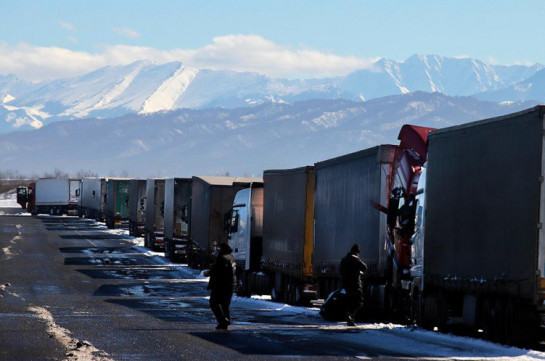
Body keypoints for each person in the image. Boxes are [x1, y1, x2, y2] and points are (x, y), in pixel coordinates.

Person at [207, 242, 237, 330]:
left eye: (218, 248)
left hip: (221, 285)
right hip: (230, 285)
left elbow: (218, 273)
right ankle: (225, 322)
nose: (217, 250)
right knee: (225, 304)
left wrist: (210, 275)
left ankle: (222, 321)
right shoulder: (231, 256)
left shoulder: (222, 258)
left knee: (214, 303)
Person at [339, 244, 367, 326]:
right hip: (355, 283)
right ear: (357, 252)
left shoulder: (344, 260)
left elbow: (341, 271)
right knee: (359, 301)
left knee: (349, 300)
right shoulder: (355, 259)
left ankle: (350, 318)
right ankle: (350, 314)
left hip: (346, 284)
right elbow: (364, 267)